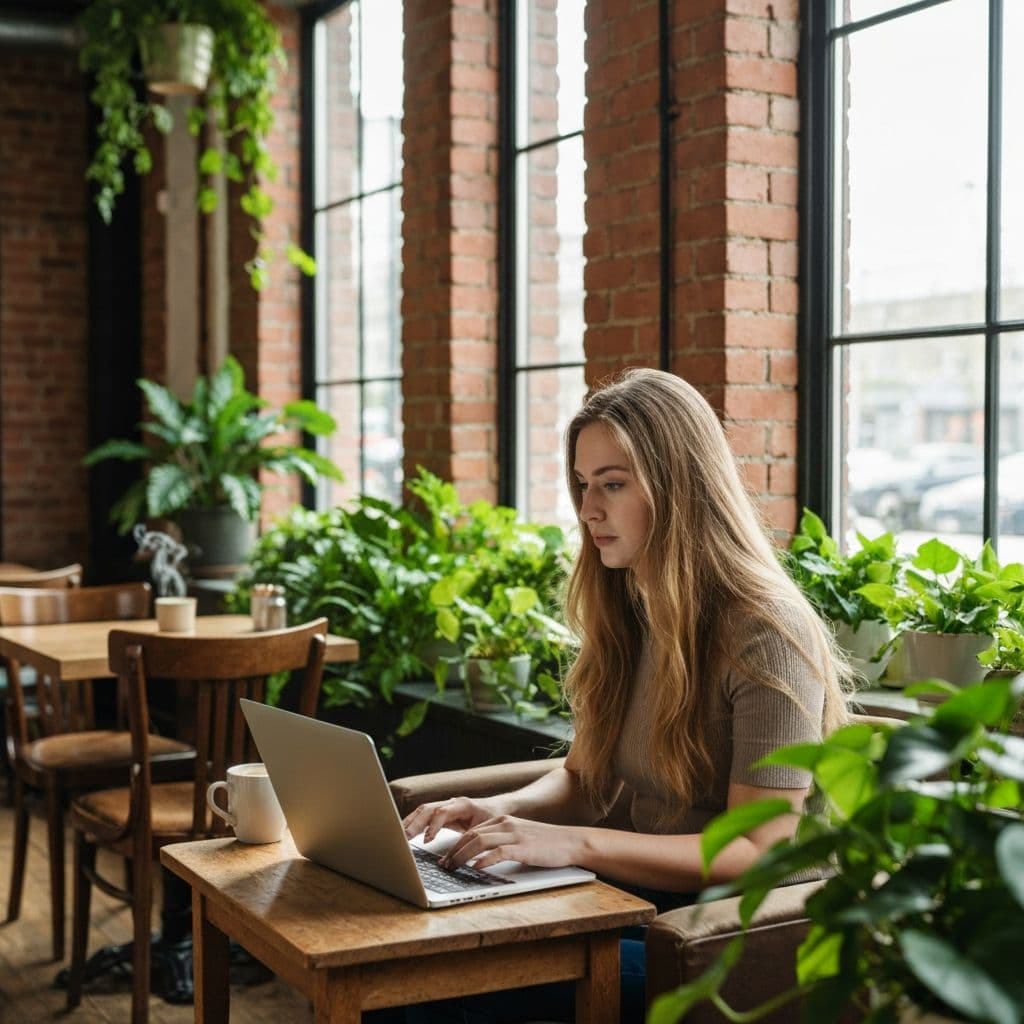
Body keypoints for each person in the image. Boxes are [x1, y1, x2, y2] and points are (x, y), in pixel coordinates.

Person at [399, 367, 850, 1023]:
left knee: (441, 984)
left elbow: (759, 848)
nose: (588, 510)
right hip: (645, 902)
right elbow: (584, 780)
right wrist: (497, 811)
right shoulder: (632, 608)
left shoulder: (766, 632)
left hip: (740, 933)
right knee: (403, 960)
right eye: (583, 484)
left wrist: (571, 845)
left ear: (681, 488)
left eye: (612, 484)